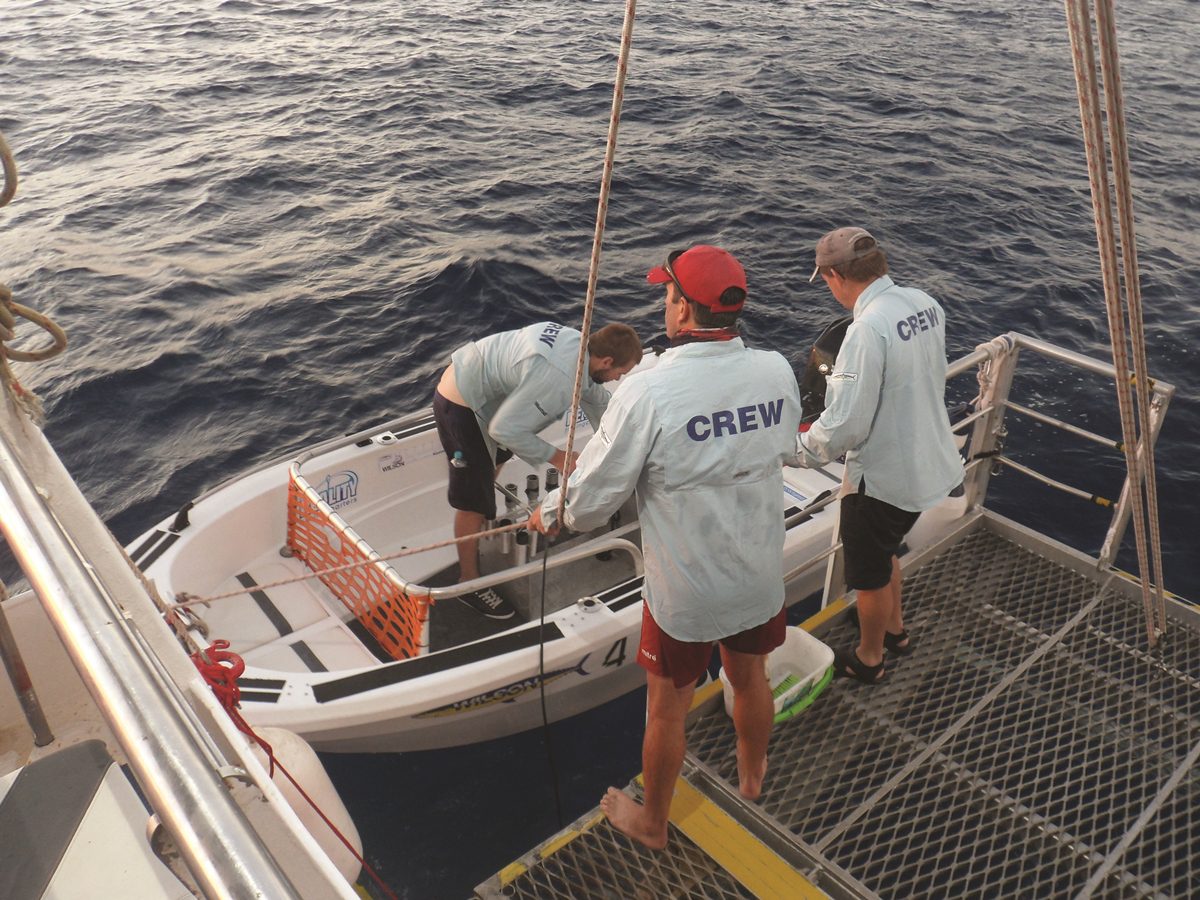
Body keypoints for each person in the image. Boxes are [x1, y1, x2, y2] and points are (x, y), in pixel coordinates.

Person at [528, 245, 802, 849]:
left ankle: (653, 823)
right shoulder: (776, 369)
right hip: (757, 573)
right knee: (750, 677)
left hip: (685, 594)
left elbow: (590, 500)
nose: (664, 301)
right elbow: (785, 447)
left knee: (667, 708)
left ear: (682, 308)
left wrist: (547, 513)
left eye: (667, 293)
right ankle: (753, 777)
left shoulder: (646, 393)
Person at [793, 226, 963, 683]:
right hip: (928, 459)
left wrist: (797, 453)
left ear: (834, 275)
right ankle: (895, 630)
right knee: (887, 551)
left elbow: (845, 424)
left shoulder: (865, 331)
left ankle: (871, 658)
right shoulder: (924, 303)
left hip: (884, 478)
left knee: (867, 575)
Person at [434, 321, 641, 619]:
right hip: (463, 403)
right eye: (618, 374)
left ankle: (482, 527)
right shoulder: (559, 378)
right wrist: (559, 458)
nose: (615, 379)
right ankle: (468, 583)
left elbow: (601, 406)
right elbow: (504, 430)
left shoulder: (581, 348)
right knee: (474, 501)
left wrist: (619, 450)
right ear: (606, 361)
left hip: (493, 395)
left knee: (491, 472)